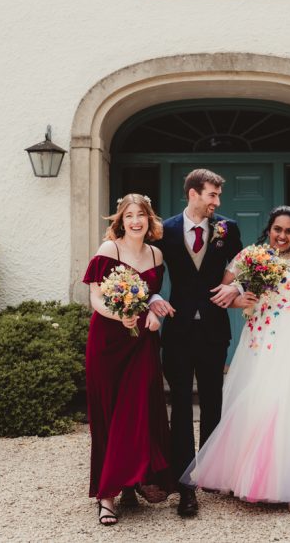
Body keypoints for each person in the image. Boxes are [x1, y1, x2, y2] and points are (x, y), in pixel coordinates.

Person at [181, 205, 290, 512]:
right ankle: (255, 477)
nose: (282, 236)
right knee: (262, 401)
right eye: (277, 229)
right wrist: (239, 298)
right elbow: (222, 293)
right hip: (263, 338)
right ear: (268, 229)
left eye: (288, 231)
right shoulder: (250, 257)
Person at [148, 169, 243, 518]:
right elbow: (152, 275)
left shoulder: (227, 229)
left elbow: (242, 268)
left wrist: (238, 289)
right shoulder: (165, 230)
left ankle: (213, 474)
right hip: (178, 328)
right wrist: (152, 297)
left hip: (215, 329)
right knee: (182, 409)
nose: (217, 203)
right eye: (211, 196)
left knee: (214, 402)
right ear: (192, 194)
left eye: (218, 196)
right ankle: (185, 485)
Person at [83, 193, 174, 526]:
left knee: (138, 410)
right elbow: (94, 295)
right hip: (108, 341)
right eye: (129, 215)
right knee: (110, 413)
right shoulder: (110, 250)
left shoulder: (156, 253)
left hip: (142, 343)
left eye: (142, 215)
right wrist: (118, 316)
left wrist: (153, 310)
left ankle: (134, 480)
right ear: (120, 220)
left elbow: (150, 295)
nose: (136, 221)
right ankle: (107, 495)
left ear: (150, 220)